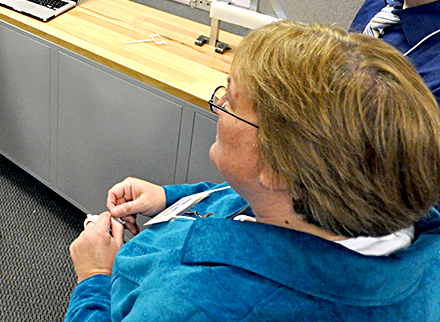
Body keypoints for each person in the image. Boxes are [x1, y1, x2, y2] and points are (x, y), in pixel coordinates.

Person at [65, 21, 440, 321]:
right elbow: (264, 200)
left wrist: (95, 278)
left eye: (230, 100)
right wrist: (172, 199)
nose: (218, 106)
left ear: (280, 164)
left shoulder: (200, 304)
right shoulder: (361, 207)